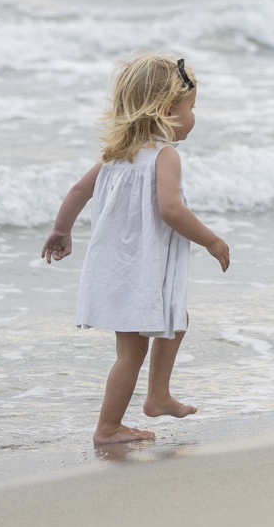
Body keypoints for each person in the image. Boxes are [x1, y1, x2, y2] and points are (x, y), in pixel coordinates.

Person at [41, 53, 230, 445]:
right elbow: (171, 210)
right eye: (192, 108)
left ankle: (158, 396)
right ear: (168, 110)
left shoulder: (116, 156)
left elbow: (78, 190)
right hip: (140, 267)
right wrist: (211, 241)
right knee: (132, 353)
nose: (194, 117)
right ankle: (108, 427)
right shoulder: (164, 156)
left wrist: (62, 229)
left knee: (175, 319)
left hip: (119, 265)